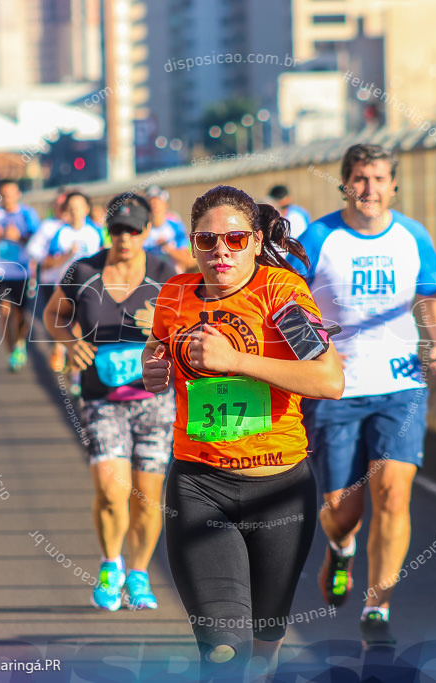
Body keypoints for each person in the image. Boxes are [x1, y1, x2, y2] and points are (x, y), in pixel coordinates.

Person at [144, 185, 344, 680]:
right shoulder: (175, 293)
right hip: (199, 484)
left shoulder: (281, 294)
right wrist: (155, 366)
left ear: (256, 241)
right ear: (192, 245)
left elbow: (329, 380)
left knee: (262, 648)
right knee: (223, 649)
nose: (220, 252)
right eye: (207, 240)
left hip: (279, 489)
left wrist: (235, 361)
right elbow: (157, 347)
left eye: (234, 239)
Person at [293, 143, 436, 648]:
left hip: (400, 386)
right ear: (346, 184)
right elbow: (287, 305)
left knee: (393, 492)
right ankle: (341, 547)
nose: (370, 189)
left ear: (393, 185)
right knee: (343, 510)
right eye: (360, 179)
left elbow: (430, 294)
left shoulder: (412, 236)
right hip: (335, 391)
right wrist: (310, 361)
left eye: (380, 179)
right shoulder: (318, 238)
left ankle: (378, 604)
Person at [45, 193, 177, 613]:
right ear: (108, 230)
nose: (124, 238)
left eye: (133, 230)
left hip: (155, 400)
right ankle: (110, 565)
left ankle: (138, 575)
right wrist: (71, 342)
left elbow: (188, 324)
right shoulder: (83, 271)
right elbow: (53, 316)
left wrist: (159, 328)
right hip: (102, 399)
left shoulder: (163, 272)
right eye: (117, 230)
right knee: (109, 490)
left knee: (147, 497)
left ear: (146, 231)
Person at [28, 190, 103, 373]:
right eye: (72, 208)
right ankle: (62, 353)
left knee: (80, 331)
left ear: (87, 208)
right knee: (68, 328)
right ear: (67, 210)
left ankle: (76, 376)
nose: (75, 211)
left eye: (79, 207)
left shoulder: (96, 231)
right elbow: (48, 262)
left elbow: (105, 257)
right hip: (65, 288)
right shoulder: (61, 232)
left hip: (90, 289)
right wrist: (67, 255)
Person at [0, 180, 40, 372]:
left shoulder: (27, 214)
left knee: (20, 313)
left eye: (10, 193)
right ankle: (11, 353)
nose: (6, 198)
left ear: (17, 194)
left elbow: (38, 241)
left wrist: (19, 238)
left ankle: (20, 343)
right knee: (5, 311)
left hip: (22, 270)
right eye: (2, 194)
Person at [144, 185, 193, 271]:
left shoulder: (176, 227)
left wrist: (168, 248)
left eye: (158, 202)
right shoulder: (141, 229)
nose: (154, 205)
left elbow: (189, 261)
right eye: (151, 202)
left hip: (173, 280)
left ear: (165, 205)